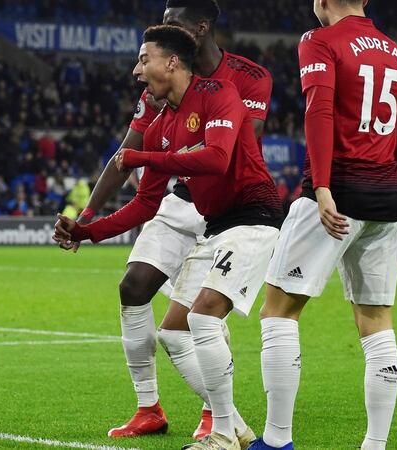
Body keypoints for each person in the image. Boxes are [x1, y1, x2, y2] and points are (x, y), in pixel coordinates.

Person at [53, 25, 283, 450]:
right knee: (174, 332)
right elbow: (144, 204)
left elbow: (215, 158)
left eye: (144, 60)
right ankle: (237, 429)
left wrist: (139, 156)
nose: (138, 71)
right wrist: (87, 231)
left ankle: (220, 435)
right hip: (215, 226)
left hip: (254, 217)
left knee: (202, 317)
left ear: (172, 62)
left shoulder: (219, 94)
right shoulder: (161, 126)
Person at [247, 1, 397, 449]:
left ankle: (278, 440)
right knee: (377, 321)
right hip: (385, 200)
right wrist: (382, 173)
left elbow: (318, 111)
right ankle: (375, 445)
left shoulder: (318, 40)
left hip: (334, 195)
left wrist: (322, 186)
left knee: (279, 311)